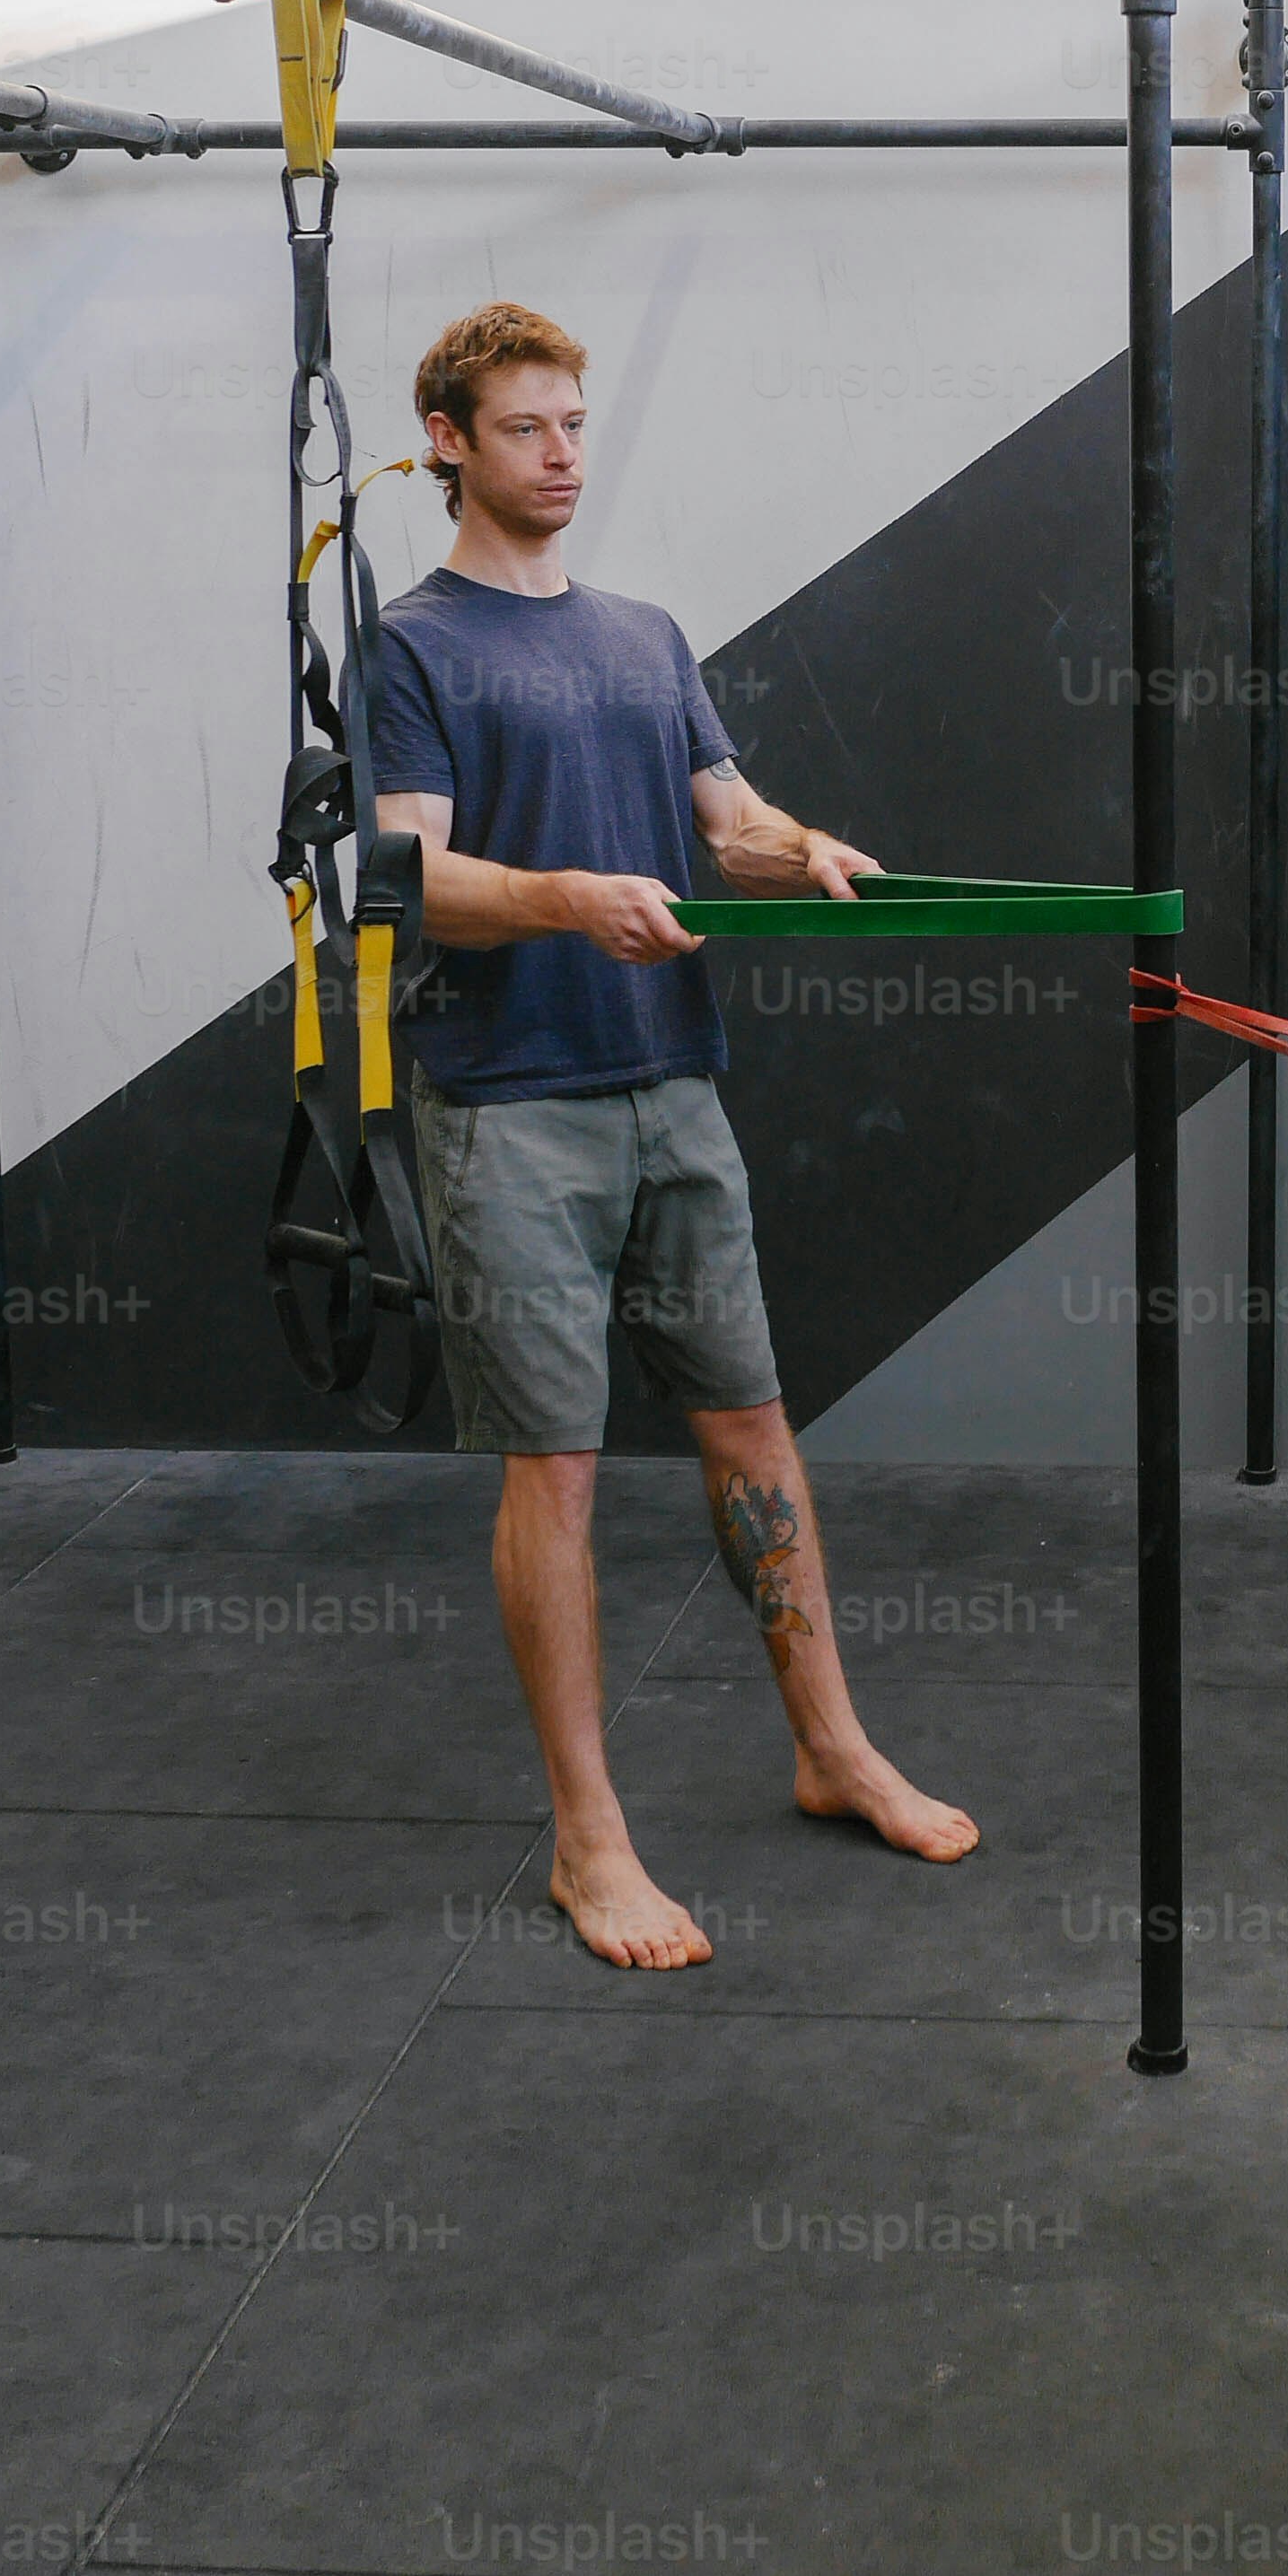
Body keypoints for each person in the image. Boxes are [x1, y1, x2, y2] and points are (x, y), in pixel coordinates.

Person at [370, 297, 977, 1974]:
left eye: (574, 423)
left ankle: (832, 1749)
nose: (562, 454)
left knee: (753, 1430)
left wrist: (806, 850)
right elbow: (408, 877)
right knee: (555, 1469)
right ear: (448, 444)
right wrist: (567, 898)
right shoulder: (415, 646)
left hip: (672, 1086)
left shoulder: (644, 635)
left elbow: (730, 821)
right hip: (509, 1111)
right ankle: (589, 1839)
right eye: (524, 429)